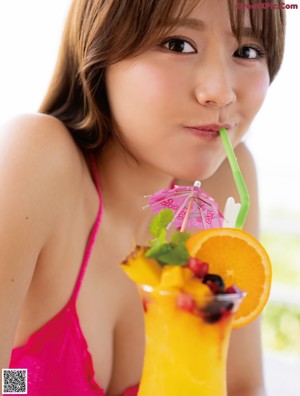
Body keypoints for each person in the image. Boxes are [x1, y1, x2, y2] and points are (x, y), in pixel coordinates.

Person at [0, 0, 286, 395]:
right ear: (101, 49)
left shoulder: (227, 184)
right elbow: (6, 380)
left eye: (247, 52)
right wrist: (17, 386)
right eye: (177, 44)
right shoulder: (35, 158)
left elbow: (240, 386)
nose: (219, 93)